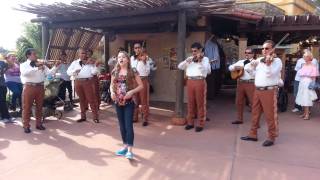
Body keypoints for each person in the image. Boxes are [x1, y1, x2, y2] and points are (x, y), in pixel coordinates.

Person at [241, 40, 282, 147]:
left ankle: (271, 136)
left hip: (269, 90)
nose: (264, 50)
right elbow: (255, 74)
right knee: (255, 113)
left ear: (273, 49)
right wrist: (251, 66)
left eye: (267, 48)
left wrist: (268, 64)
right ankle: (252, 134)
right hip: (257, 90)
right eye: (263, 48)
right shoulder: (260, 59)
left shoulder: (277, 61)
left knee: (270, 115)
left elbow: (270, 74)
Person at [110, 51, 143, 159]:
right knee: (122, 126)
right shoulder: (115, 71)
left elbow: (141, 86)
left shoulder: (132, 71)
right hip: (118, 102)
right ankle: (124, 147)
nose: (121, 59)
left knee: (128, 126)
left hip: (129, 102)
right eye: (119, 57)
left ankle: (130, 150)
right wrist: (112, 92)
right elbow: (111, 85)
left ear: (128, 59)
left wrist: (132, 92)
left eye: (123, 57)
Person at [20, 48, 55, 133]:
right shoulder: (23, 64)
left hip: (40, 87)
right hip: (29, 87)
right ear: (28, 55)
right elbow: (25, 73)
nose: (36, 56)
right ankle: (26, 125)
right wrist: (37, 68)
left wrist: (56, 67)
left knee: (39, 107)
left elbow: (49, 73)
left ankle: (39, 124)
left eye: (36, 54)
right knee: (27, 107)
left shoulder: (41, 64)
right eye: (34, 54)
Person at [178, 42, 211, 132]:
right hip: (190, 81)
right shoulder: (190, 58)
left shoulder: (205, 59)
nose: (193, 53)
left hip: (200, 80)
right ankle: (190, 123)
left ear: (200, 50)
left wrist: (200, 62)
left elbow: (208, 71)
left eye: (195, 51)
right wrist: (186, 61)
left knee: (200, 103)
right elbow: (180, 67)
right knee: (190, 103)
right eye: (192, 51)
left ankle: (200, 124)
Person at [67, 48, 99, 123]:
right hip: (78, 82)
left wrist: (95, 66)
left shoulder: (90, 62)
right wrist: (74, 72)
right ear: (78, 54)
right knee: (81, 100)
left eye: (84, 53)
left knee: (91, 99)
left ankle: (95, 117)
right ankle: (83, 117)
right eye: (82, 53)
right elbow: (68, 72)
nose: (84, 54)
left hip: (87, 82)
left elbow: (94, 72)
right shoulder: (74, 63)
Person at [130, 42, 156, 126]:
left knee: (144, 100)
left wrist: (145, 62)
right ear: (134, 49)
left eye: (138, 47)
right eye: (135, 48)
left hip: (143, 80)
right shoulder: (132, 58)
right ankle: (134, 117)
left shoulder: (147, 58)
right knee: (134, 100)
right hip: (134, 81)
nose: (137, 49)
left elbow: (150, 70)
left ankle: (145, 118)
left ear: (141, 48)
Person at [228, 48, 255, 124]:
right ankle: (239, 119)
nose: (247, 54)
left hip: (250, 83)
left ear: (253, 54)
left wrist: (246, 69)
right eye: (246, 52)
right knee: (238, 102)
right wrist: (235, 67)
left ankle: (255, 121)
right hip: (240, 83)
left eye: (249, 53)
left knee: (253, 103)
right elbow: (229, 68)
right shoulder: (240, 62)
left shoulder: (255, 62)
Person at [0, 57, 15, 123]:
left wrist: (9, 60)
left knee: (3, 100)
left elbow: (10, 65)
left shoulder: (2, 62)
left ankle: (5, 117)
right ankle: (6, 117)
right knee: (2, 100)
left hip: (3, 84)